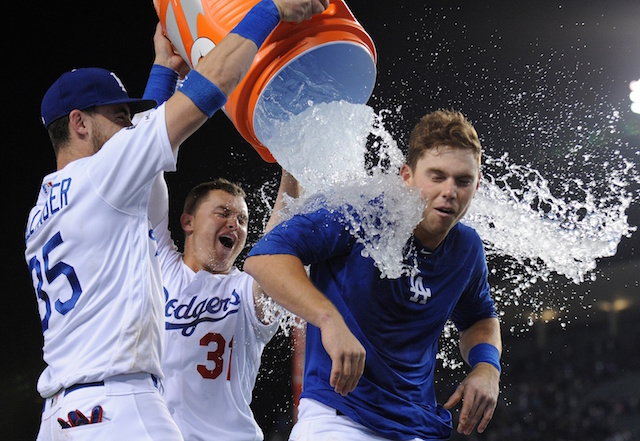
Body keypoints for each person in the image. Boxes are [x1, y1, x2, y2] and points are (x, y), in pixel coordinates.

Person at [24, 0, 328, 439]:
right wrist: (271, 9)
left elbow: (144, 153)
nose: (130, 127)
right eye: (119, 116)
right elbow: (211, 87)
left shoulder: (42, 209)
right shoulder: (104, 175)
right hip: (119, 407)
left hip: (61, 413)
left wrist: (164, 69)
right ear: (80, 124)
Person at [244, 109, 503, 440]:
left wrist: (487, 367)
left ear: (476, 184)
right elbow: (265, 257)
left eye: (463, 180)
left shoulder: (467, 247)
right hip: (339, 419)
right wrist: (328, 319)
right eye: (437, 176)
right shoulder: (361, 212)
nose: (450, 191)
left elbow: (480, 318)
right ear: (406, 175)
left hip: (417, 427)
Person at [151, 172, 299, 440]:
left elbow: (277, 246)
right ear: (188, 221)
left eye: (242, 219)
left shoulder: (244, 290)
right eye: (223, 213)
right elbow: (147, 170)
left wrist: (290, 166)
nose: (235, 224)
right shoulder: (161, 268)